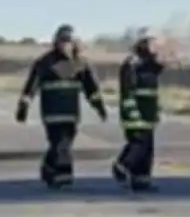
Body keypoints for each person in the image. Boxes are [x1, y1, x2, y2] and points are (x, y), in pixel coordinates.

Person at [15, 24, 107, 188]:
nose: (65, 44)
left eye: (69, 41)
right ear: (56, 42)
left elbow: (91, 89)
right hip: (52, 112)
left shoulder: (80, 64)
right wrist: (24, 106)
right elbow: (32, 85)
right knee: (61, 143)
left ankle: (49, 168)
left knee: (61, 144)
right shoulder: (45, 63)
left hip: (71, 113)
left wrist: (99, 107)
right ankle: (63, 175)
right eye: (62, 41)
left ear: (74, 43)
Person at [112, 35, 165, 191]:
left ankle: (141, 181)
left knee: (148, 148)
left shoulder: (150, 64)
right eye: (153, 45)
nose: (155, 48)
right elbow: (127, 91)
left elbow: (158, 67)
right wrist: (132, 111)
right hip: (135, 112)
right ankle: (122, 166)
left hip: (148, 114)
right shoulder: (131, 64)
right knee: (138, 144)